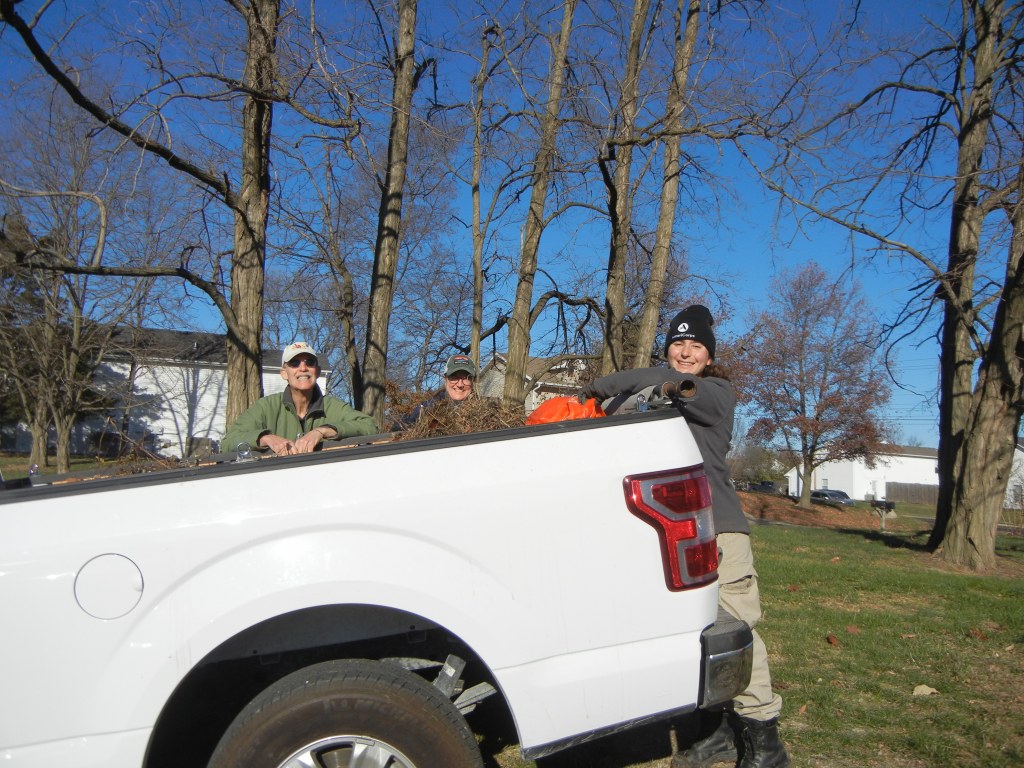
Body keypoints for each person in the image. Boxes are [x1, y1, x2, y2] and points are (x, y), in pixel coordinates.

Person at [582, 305, 790, 768]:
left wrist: (609, 385)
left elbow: (663, 383)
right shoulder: (661, 395)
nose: (686, 352)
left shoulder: (716, 393)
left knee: (735, 633)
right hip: (673, 535)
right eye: (678, 344)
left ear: (709, 356)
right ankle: (714, 732)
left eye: (696, 346)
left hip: (720, 533)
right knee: (693, 638)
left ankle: (765, 741)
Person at [222, 341, 378, 455]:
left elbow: (370, 426)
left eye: (309, 362)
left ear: (317, 371)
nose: (303, 368)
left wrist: (322, 431)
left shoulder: (332, 406)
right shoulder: (265, 407)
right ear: (284, 373)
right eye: (294, 363)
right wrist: (265, 438)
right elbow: (228, 442)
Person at [399, 353, 477, 427]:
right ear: (445, 379)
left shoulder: (485, 410)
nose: (460, 384)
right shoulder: (427, 408)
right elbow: (399, 433)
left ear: (473, 381)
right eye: (454, 378)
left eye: (466, 378)